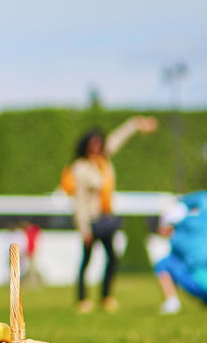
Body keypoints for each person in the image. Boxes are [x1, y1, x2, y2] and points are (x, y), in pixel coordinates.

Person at [65, 115, 157, 313]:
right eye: (94, 143)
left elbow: (118, 138)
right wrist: (84, 229)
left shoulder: (103, 161)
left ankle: (106, 297)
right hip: (92, 220)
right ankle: (82, 299)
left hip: (107, 218)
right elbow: (79, 201)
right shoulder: (80, 167)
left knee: (112, 259)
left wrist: (136, 124)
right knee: (86, 262)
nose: (98, 147)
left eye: (100, 143)